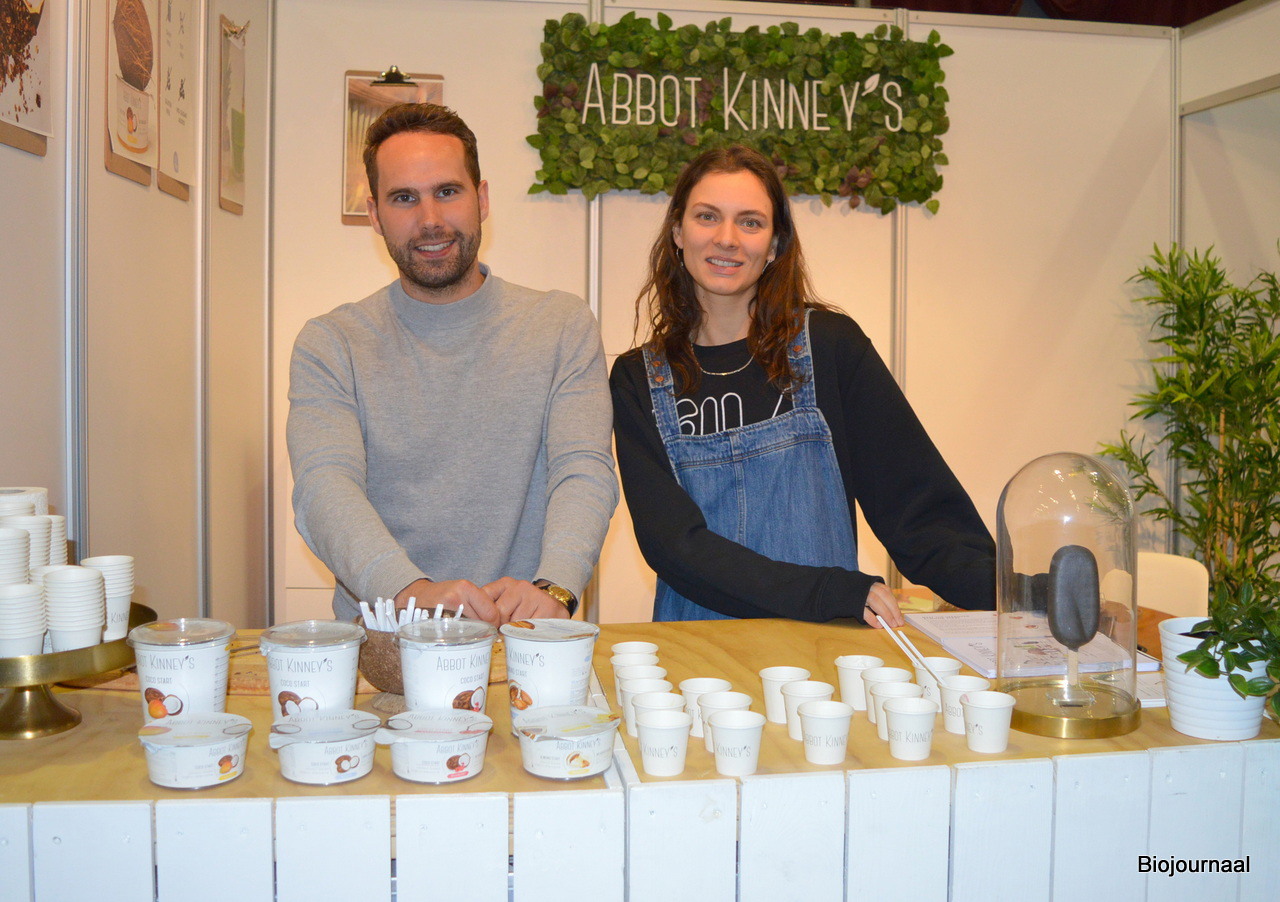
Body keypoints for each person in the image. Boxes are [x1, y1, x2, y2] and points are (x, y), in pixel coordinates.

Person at [610, 144, 995, 627]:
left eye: (750, 222)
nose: (727, 239)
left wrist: (1020, 595)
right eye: (707, 217)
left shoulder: (831, 347)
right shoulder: (637, 379)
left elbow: (918, 512)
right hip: (699, 653)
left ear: (774, 245)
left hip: (821, 653)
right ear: (677, 233)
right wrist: (827, 592)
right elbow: (674, 546)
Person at [288, 103, 618, 627]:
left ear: (481, 199)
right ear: (374, 214)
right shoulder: (331, 344)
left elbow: (583, 470)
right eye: (404, 198)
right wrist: (410, 592)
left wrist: (554, 585)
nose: (430, 220)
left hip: (524, 634)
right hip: (386, 644)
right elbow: (324, 487)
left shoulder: (561, 325)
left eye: (447, 191)